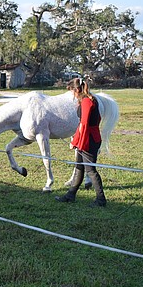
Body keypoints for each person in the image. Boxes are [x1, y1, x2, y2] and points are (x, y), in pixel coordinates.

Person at [55, 77, 107, 207]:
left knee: (90, 170)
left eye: (72, 90)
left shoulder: (86, 102)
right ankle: (70, 195)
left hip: (89, 140)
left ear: (77, 90)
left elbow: (84, 124)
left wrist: (77, 142)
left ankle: (101, 200)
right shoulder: (90, 99)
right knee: (79, 167)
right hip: (89, 137)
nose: (72, 94)